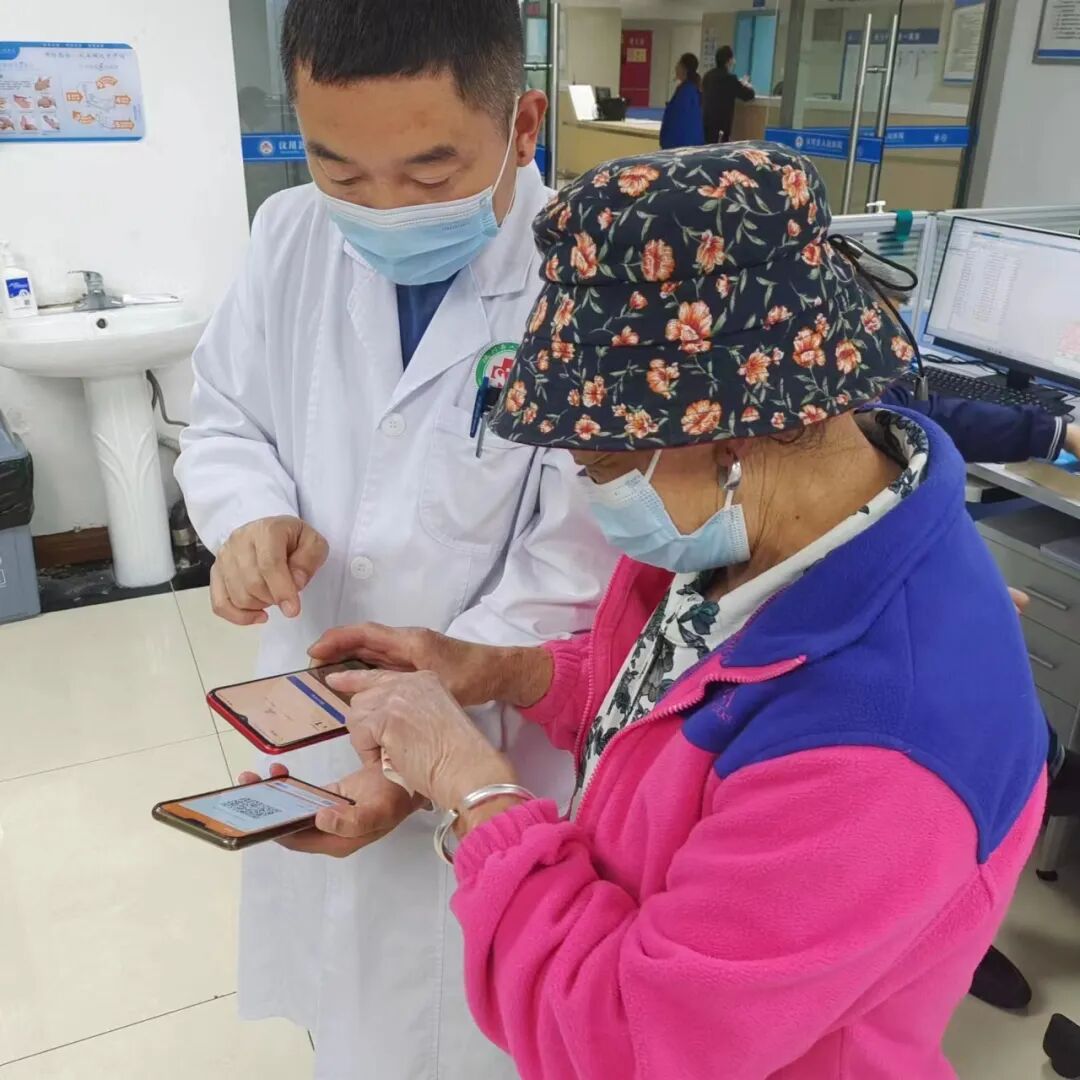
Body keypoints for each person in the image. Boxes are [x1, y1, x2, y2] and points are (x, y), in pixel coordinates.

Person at [278, 144, 1048, 1078]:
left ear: (735, 435)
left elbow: (628, 1045)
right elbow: (665, 699)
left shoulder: (877, 750)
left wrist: (473, 790)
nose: (594, 489)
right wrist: (498, 671)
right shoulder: (766, 538)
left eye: (602, 464)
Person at [174, 1, 614, 1076]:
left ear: (522, 127)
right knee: (347, 1005)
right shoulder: (290, 235)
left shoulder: (588, 286)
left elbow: (575, 563)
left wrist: (425, 742)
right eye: (341, 170)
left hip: (496, 740)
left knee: (468, 1024)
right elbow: (225, 419)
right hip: (317, 701)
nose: (382, 209)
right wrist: (248, 518)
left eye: (428, 174)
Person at [703, 45, 756, 143]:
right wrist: (745, 84)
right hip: (721, 126)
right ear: (729, 61)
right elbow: (749, 95)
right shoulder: (730, 79)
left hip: (705, 123)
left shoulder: (708, 76)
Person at [659, 52, 704, 150]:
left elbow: (677, 122)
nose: (676, 67)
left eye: (678, 64)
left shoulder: (686, 92)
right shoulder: (692, 89)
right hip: (690, 144)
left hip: (680, 146)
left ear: (684, 68)